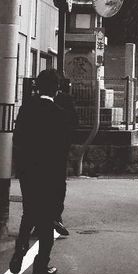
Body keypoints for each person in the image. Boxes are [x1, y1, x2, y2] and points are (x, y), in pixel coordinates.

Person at [9, 68, 73, 274]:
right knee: (46, 220)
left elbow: (17, 139)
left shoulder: (26, 109)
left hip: (29, 171)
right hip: (51, 174)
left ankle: (20, 248)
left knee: (29, 212)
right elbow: (64, 147)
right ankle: (40, 265)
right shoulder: (60, 115)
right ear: (56, 89)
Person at [52, 76, 80, 236]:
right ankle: (55, 216)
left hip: (36, 152)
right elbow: (74, 122)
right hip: (58, 149)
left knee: (37, 186)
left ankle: (36, 221)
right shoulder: (66, 100)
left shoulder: (32, 102)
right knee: (57, 184)